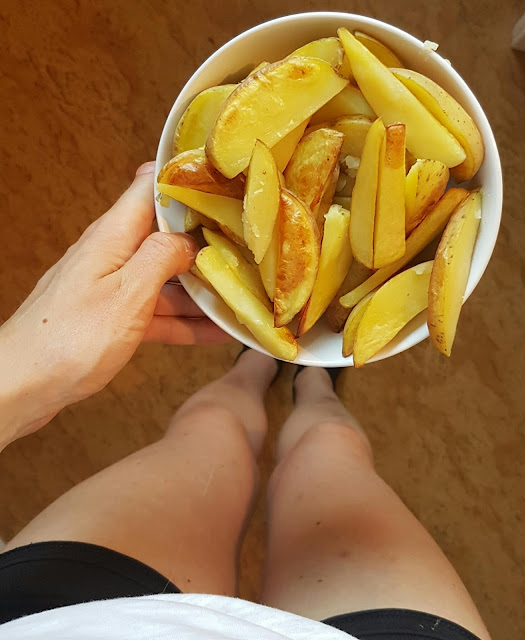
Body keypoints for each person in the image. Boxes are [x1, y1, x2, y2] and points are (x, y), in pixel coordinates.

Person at [0, 163, 491, 640]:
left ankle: (255, 366)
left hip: (69, 614)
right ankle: (308, 381)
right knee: (330, 441)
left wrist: (20, 373)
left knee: (212, 424)